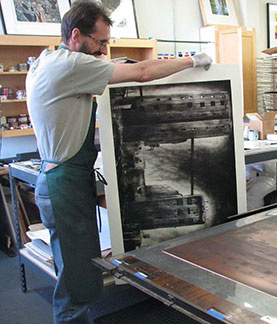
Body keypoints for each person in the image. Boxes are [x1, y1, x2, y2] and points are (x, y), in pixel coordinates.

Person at [25, 1, 212, 323]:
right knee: (77, 279)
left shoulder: (47, 60)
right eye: (100, 42)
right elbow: (142, 72)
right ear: (75, 36)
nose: (103, 50)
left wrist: (106, 60)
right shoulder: (70, 66)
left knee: (72, 269)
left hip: (58, 177)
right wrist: (193, 60)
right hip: (64, 183)